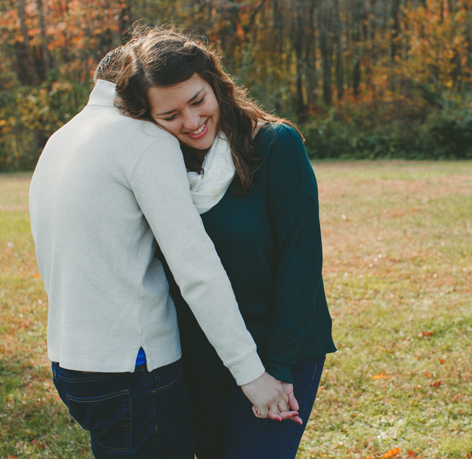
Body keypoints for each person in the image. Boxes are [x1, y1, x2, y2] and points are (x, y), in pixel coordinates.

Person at [28, 48, 298, 458]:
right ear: (141, 94)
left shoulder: (60, 140)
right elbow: (196, 269)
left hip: (72, 365)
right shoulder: (142, 139)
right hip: (134, 367)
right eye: (168, 112)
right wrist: (251, 374)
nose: (183, 120)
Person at [116, 26, 337, 459]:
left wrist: (274, 369)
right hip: (199, 358)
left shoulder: (275, 145)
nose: (192, 122)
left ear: (215, 82)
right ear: (148, 119)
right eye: (170, 115)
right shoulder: (154, 171)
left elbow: (302, 262)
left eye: (198, 101)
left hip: (282, 348)